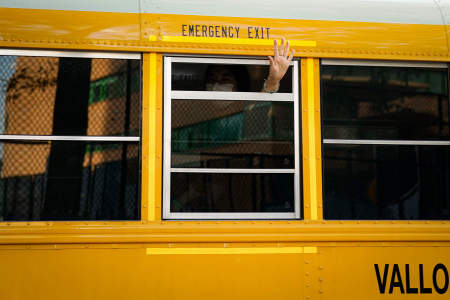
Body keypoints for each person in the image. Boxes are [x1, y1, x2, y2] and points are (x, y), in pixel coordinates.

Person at [205, 38, 294, 92]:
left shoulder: (246, 111)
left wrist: (273, 81)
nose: (217, 84)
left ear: (238, 83)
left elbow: (261, 101)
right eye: (212, 79)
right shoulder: (195, 110)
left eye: (225, 79)